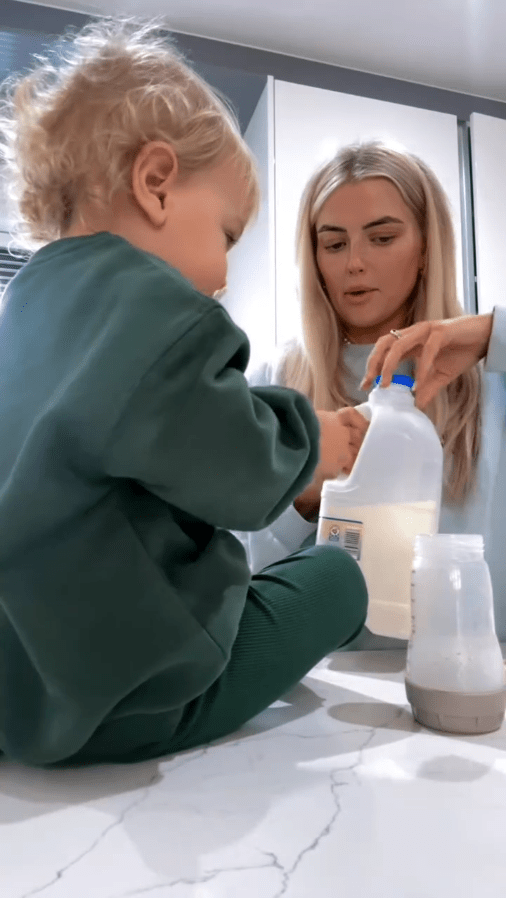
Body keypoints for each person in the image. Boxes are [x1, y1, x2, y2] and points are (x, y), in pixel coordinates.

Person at [0, 18, 370, 768]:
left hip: (21, 695)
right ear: (157, 183)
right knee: (338, 576)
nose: (225, 274)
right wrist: (312, 445)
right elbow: (236, 472)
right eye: (227, 234)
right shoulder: (153, 309)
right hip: (134, 693)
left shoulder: (24, 311)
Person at [238, 142, 506, 645]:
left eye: (382, 238)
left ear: (426, 246)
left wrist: (491, 333)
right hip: (324, 691)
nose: (355, 263)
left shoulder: (491, 379)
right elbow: (241, 590)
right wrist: (304, 502)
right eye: (334, 244)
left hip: (476, 681)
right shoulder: (270, 383)